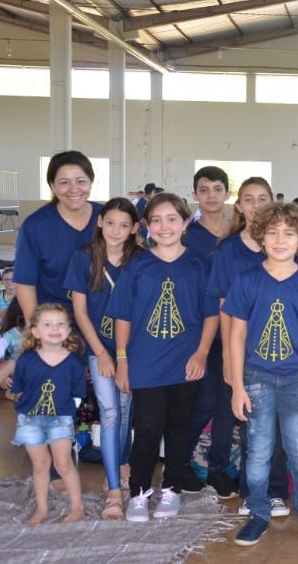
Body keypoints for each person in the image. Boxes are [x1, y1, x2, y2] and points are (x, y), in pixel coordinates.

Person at [108, 193, 219, 522]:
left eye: (172, 219)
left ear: (186, 223)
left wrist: (201, 352)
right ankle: (139, 493)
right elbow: (122, 316)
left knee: (178, 427)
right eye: (155, 220)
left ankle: (171, 489)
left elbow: (211, 315)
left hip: (186, 361)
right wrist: (123, 361)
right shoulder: (138, 265)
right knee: (147, 429)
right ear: (146, 226)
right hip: (145, 362)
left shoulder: (199, 265)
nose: (164, 226)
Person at [224, 202, 298, 545]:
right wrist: (238, 386)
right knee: (258, 450)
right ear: (261, 237)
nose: (280, 239)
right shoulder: (247, 280)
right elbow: (236, 335)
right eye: (272, 232)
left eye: (289, 233)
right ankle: (257, 512)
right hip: (256, 378)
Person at [207, 177, 290, 514]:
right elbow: (225, 307)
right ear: (238, 206)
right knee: (250, 424)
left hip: (282, 356)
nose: (256, 205)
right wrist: (229, 356)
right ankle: (250, 490)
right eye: (249, 199)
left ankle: (276, 491)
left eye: (263, 198)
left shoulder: (286, 245)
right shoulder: (229, 250)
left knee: (280, 425)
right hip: (244, 352)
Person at [65, 197, 145, 520]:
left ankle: (120, 467)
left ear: (135, 229)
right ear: (99, 221)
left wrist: (124, 355)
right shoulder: (83, 258)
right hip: (98, 350)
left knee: (125, 412)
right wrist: (100, 353)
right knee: (110, 411)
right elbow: (80, 313)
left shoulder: (141, 260)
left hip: (132, 351)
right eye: (110, 222)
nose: (116, 230)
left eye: (124, 225)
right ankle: (114, 493)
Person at [185, 166, 240, 500]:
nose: (211, 196)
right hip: (200, 330)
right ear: (195, 196)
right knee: (203, 401)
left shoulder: (239, 233)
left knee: (225, 404)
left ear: (227, 194)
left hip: (234, 331)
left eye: (217, 189)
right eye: (203, 190)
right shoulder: (187, 235)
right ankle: (179, 462)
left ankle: (217, 468)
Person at [10, 303, 87, 525]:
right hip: (29, 419)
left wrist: (67, 420)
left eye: (61, 323)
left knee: (63, 463)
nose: (55, 328)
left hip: (60, 419)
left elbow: (77, 395)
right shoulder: (25, 360)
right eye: (48, 324)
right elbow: (20, 391)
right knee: (40, 464)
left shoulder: (74, 362)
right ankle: (42, 509)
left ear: (69, 329)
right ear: (35, 331)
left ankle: (77, 507)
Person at [14, 151, 103, 320]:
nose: (74, 189)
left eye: (81, 181)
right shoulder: (35, 226)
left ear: (91, 182)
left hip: (101, 320)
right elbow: (25, 282)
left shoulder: (108, 219)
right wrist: (37, 329)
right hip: (56, 322)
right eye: (64, 182)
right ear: (53, 187)